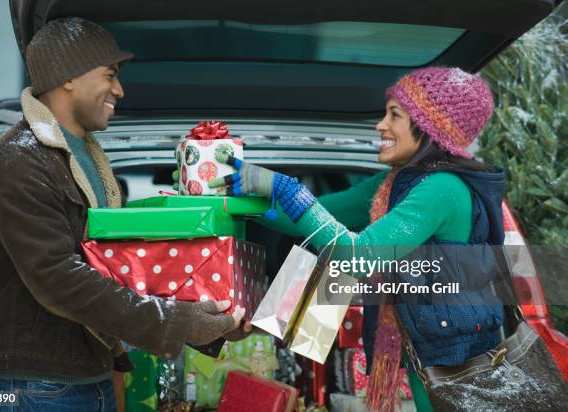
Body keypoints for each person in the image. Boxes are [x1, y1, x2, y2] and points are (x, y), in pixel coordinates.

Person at [0, 17, 246, 411]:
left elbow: (116, 268)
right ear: (69, 76)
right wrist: (178, 322)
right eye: (110, 75)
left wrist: (212, 319)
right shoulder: (21, 162)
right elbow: (58, 279)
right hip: (32, 386)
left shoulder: (86, 159)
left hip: (83, 376)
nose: (119, 89)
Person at [209, 67, 506, 411]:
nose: (381, 125)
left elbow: (357, 258)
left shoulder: (442, 189)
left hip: (454, 361)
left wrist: (288, 190)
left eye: (394, 115)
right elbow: (314, 215)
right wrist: (227, 197)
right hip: (430, 350)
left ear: (430, 128)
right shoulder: (396, 183)